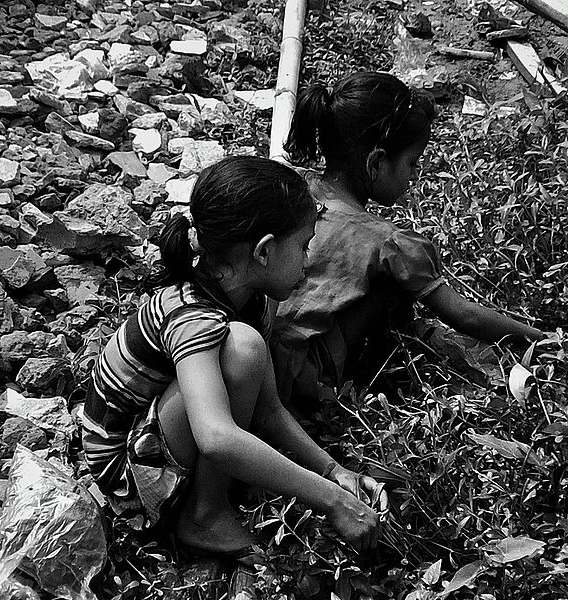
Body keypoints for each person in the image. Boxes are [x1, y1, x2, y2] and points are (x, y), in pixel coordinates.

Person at [79, 156, 388, 561]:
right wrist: (332, 501)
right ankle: (204, 517)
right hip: (125, 474)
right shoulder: (191, 317)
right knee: (243, 348)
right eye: (303, 244)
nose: (309, 259)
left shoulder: (252, 298)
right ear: (263, 252)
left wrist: (333, 471)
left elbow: (268, 410)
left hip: (157, 435)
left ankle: (209, 500)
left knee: (245, 349)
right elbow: (217, 437)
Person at [271, 71, 546, 410]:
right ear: (376, 162)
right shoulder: (386, 242)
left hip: (265, 354)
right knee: (393, 285)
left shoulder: (292, 188)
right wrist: (540, 339)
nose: (413, 177)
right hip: (304, 382)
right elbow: (464, 315)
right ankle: (371, 384)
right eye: (412, 163)